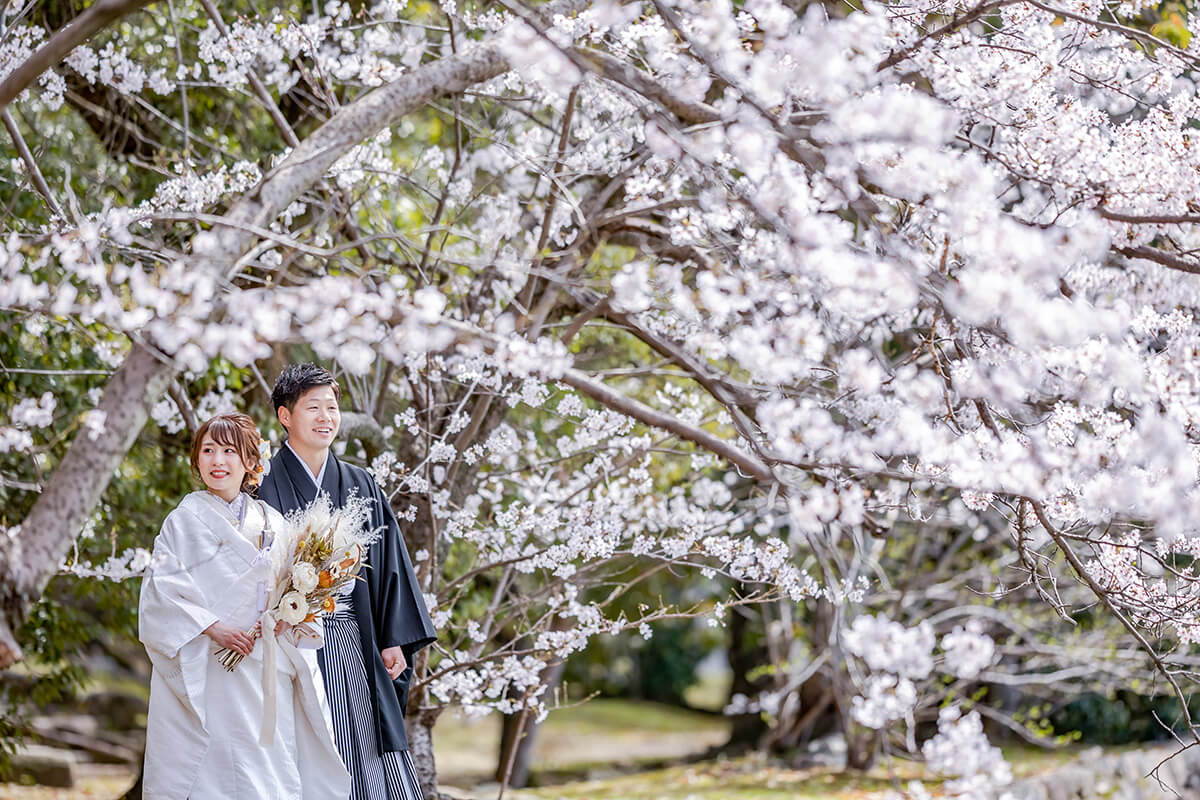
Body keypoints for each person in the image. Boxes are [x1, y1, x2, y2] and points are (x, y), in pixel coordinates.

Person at [138, 413, 350, 800]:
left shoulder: (272, 520)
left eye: (229, 451)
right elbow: (162, 591)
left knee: (267, 762)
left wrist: (290, 616)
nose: (217, 461)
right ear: (197, 460)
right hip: (210, 662)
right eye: (208, 451)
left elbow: (291, 591)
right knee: (212, 767)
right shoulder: (182, 521)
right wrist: (214, 628)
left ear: (251, 462)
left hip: (263, 662)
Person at [259, 363, 437, 800]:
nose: (326, 417)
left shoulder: (360, 483)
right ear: (285, 416)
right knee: (297, 745)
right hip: (287, 640)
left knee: (361, 737)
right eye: (313, 407)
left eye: (332, 408)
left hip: (355, 638)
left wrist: (393, 638)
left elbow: (389, 564)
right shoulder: (261, 482)